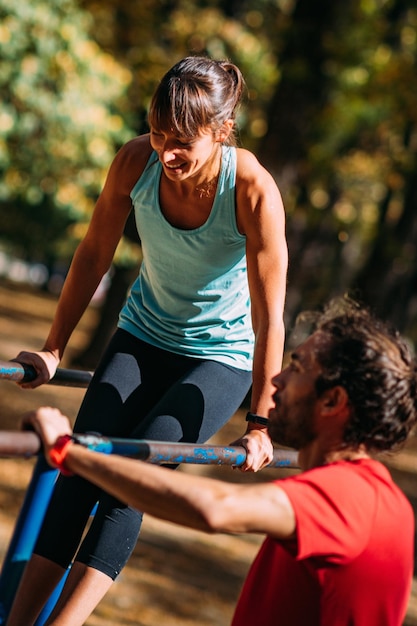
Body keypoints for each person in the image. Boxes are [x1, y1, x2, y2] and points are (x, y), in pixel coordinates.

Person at [7, 56, 288, 625]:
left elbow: (270, 315)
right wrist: (54, 347)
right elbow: (92, 254)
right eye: (158, 133)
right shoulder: (136, 162)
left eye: (182, 140)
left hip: (219, 358)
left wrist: (261, 423)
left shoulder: (252, 188)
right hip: (143, 334)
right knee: (76, 465)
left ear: (221, 131)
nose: (167, 153)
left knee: (129, 484)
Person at [12, 297, 417, 626]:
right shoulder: (381, 500)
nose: (275, 380)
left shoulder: (349, 498)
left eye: (297, 368)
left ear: (333, 401)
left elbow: (216, 508)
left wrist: (72, 452)